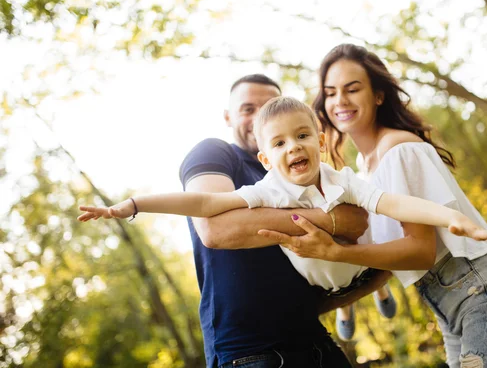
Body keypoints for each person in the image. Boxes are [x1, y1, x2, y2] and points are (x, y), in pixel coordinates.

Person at [259, 44, 487, 368]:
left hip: (482, 295)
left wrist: (337, 253)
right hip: (451, 305)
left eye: (352, 89)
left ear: (378, 95)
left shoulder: (398, 149)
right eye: (331, 93)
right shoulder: (365, 168)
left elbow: (420, 251)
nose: (340, 101)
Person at [92, 74, 389, 368]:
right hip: (249, 354)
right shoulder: (216, 152)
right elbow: (216, 229)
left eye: (269, 105)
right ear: (228, 117)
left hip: (317, 343)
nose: (259, 115)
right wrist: (330, 220)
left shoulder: (293, 174)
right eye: (248, 108)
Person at [79, 96, 487, 294]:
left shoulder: (341, 179)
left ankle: (373, 294)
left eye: (303, 136)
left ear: (321, 142)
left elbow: (393, 203)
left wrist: (448, 217)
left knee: (373, 230)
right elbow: (205, 205)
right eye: (280, 144)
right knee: (351, 242)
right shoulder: (269, 190)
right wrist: (134, 205)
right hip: (327, 288)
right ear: (266, 159)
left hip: (355, 271)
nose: (294, 148)